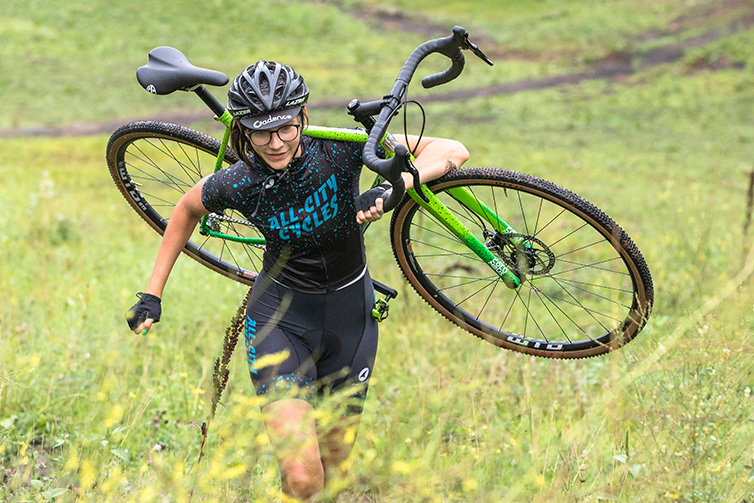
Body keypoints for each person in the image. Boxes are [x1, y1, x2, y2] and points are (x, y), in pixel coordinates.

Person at [126, 60, 469, 501]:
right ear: (244, 133)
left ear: (303, 117)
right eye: (260, 133)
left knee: (332, 473)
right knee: (305, 479)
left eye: (286, 128)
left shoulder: (342, 149)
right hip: (280, 323)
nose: (276, 143)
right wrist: (153, 293)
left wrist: (391, 187)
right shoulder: (239, 182)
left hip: (352, 320)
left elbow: (452, 149)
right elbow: (186, 209)